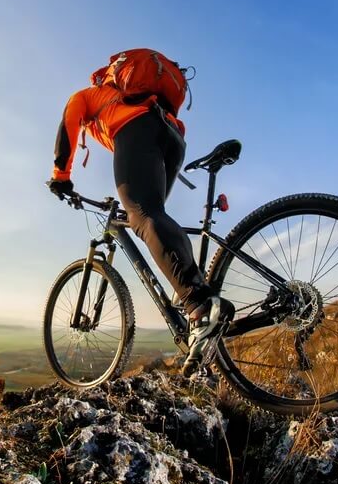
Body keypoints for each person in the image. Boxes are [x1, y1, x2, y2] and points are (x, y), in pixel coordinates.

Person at [47, 61, 234, 377]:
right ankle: (197, 294)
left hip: (139, 128)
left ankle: (200, 307)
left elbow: (68, 123)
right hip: (171, 136)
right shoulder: (133, 99)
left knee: (144, 216)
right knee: (154, 217)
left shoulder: (90, 96)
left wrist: (60, 176)